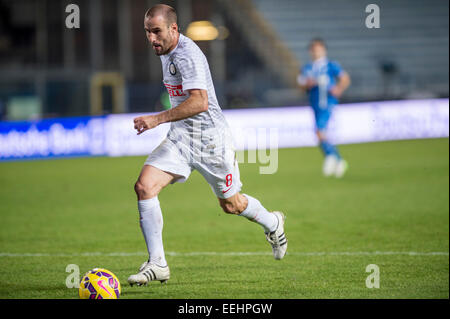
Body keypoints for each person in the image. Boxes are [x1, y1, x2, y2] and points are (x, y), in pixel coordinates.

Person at [127, 4, 288, 286]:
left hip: (211, 142)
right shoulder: (165, 50)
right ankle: (158, 263)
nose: (151, 38)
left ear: (173, 29)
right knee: (144, 186)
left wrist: (157, 119)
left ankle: (273, 223)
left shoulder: (187, 54)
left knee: (232, 204)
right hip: (180, 138)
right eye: (147, 32)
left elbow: (200, 102)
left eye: (156, 32)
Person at [297, 38, 351, 177]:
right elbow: (301, 85)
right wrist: (308, 84)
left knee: (319, 131)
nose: (316, 52)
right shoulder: (307, 68)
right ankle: (337, 160)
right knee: (319, 133)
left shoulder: (330, 65)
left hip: (327, 102)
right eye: (314, 49)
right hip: (314, 102)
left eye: (318, 49)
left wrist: (338, 89)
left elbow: (345, 78)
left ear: (324, 50)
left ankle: (332, 157)